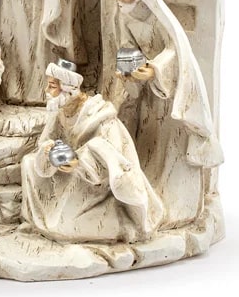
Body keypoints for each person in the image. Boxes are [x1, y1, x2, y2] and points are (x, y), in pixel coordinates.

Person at [110, 0, 223, 227]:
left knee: (169, 145)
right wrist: (128, 68)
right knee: (148, 141)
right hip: (148, 93)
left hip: (168, 92)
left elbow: (174, 50)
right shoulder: (124, 15)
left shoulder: (157, 15)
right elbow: (127, 45)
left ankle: (178, 204)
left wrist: (155, 69)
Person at [21, 59, 163, 243]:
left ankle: (122, 226)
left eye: (52, 86)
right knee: (28, 163)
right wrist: (48, 151)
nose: (47, 91)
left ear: (68, 88)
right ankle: (35, 220)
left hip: (95, 179)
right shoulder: (60, 110)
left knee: (63, 226)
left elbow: (112, 155)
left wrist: (79, 162)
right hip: (68, 171)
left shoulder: (99, 114)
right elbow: (46, 141)